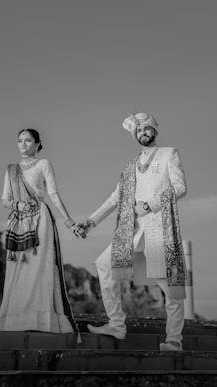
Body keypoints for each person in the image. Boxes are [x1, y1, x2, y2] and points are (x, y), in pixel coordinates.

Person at [80, 113, 188, 351]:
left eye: (147, 129)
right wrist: (91, 221)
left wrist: (150, 204)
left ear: (154, 131)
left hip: (159, 228)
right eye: (139, 131)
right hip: (132, 229)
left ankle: (174, 340)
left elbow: (180, 187)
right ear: (135, 136)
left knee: (170, 286)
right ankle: (117, 324)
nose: (143, 134)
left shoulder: (169, 154)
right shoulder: (131, 166)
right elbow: (114, 198)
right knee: (103, 264)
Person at [0, 128, 84, 338]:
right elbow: (4, 199)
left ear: (37, 144)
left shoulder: (43, 164)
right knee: (20, 269)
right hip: (19, 223)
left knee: (39, 268)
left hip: (40, 221)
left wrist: (69, 221)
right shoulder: (11, 170)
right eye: (20, 141)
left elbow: (53, 193)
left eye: (28, 140)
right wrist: (18, 205)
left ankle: (41, 318)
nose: (23, 144)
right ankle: (17, 318)